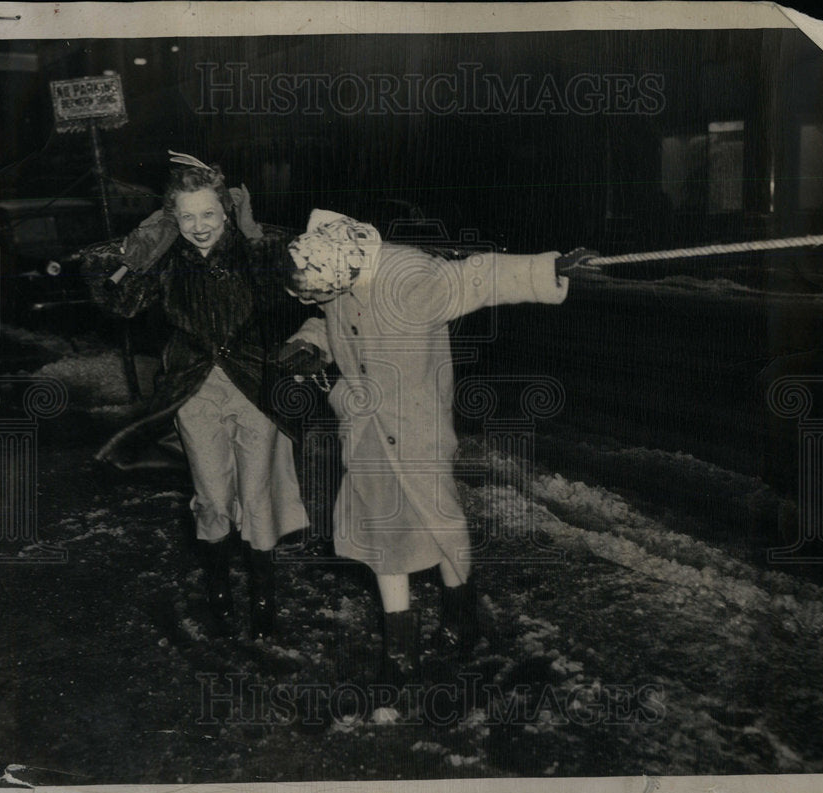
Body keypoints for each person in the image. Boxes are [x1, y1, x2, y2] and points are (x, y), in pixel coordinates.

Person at [280, 209, 569, 683]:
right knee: (381, 532)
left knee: (441, 524)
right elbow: (328, 317)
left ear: (345, 269)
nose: (317, 299)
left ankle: (460, 618)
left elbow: (479, 277)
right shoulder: (333, 262)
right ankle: (401, 651)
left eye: (318, 291)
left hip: (416, 425)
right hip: (367, 423)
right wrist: (311, 342)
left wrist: (544, 270)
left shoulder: (407, 277)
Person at [89, 153, 310, 639]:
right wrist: (147, 241)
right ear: (175, 218)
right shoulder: (169, 256)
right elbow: (118, 300)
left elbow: (284, 292)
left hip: (254, 387)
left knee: (257, 498)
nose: (199, 226)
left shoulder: (251, 251)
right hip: (194, 391)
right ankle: (218, 590)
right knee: (212, 499)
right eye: (187, 217)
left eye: (208, 214)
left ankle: (263, 596)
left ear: (226, 211)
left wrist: (254, 236)